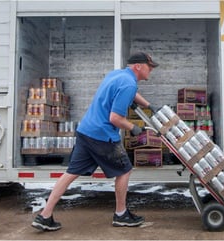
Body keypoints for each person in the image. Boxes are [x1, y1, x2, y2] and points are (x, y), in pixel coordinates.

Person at [31, 52, 159, 231]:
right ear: (138, 66)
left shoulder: (117, 75)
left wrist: (148, 105)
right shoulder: (129, 84)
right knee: (124, 171)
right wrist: (133, 128)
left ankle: (44, 216)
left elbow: (131, 93)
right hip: (102, 135)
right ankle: (121, 214)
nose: (151, 70)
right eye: (149, 66)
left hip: (86, 130)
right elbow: (115, 118)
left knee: (70, 173)